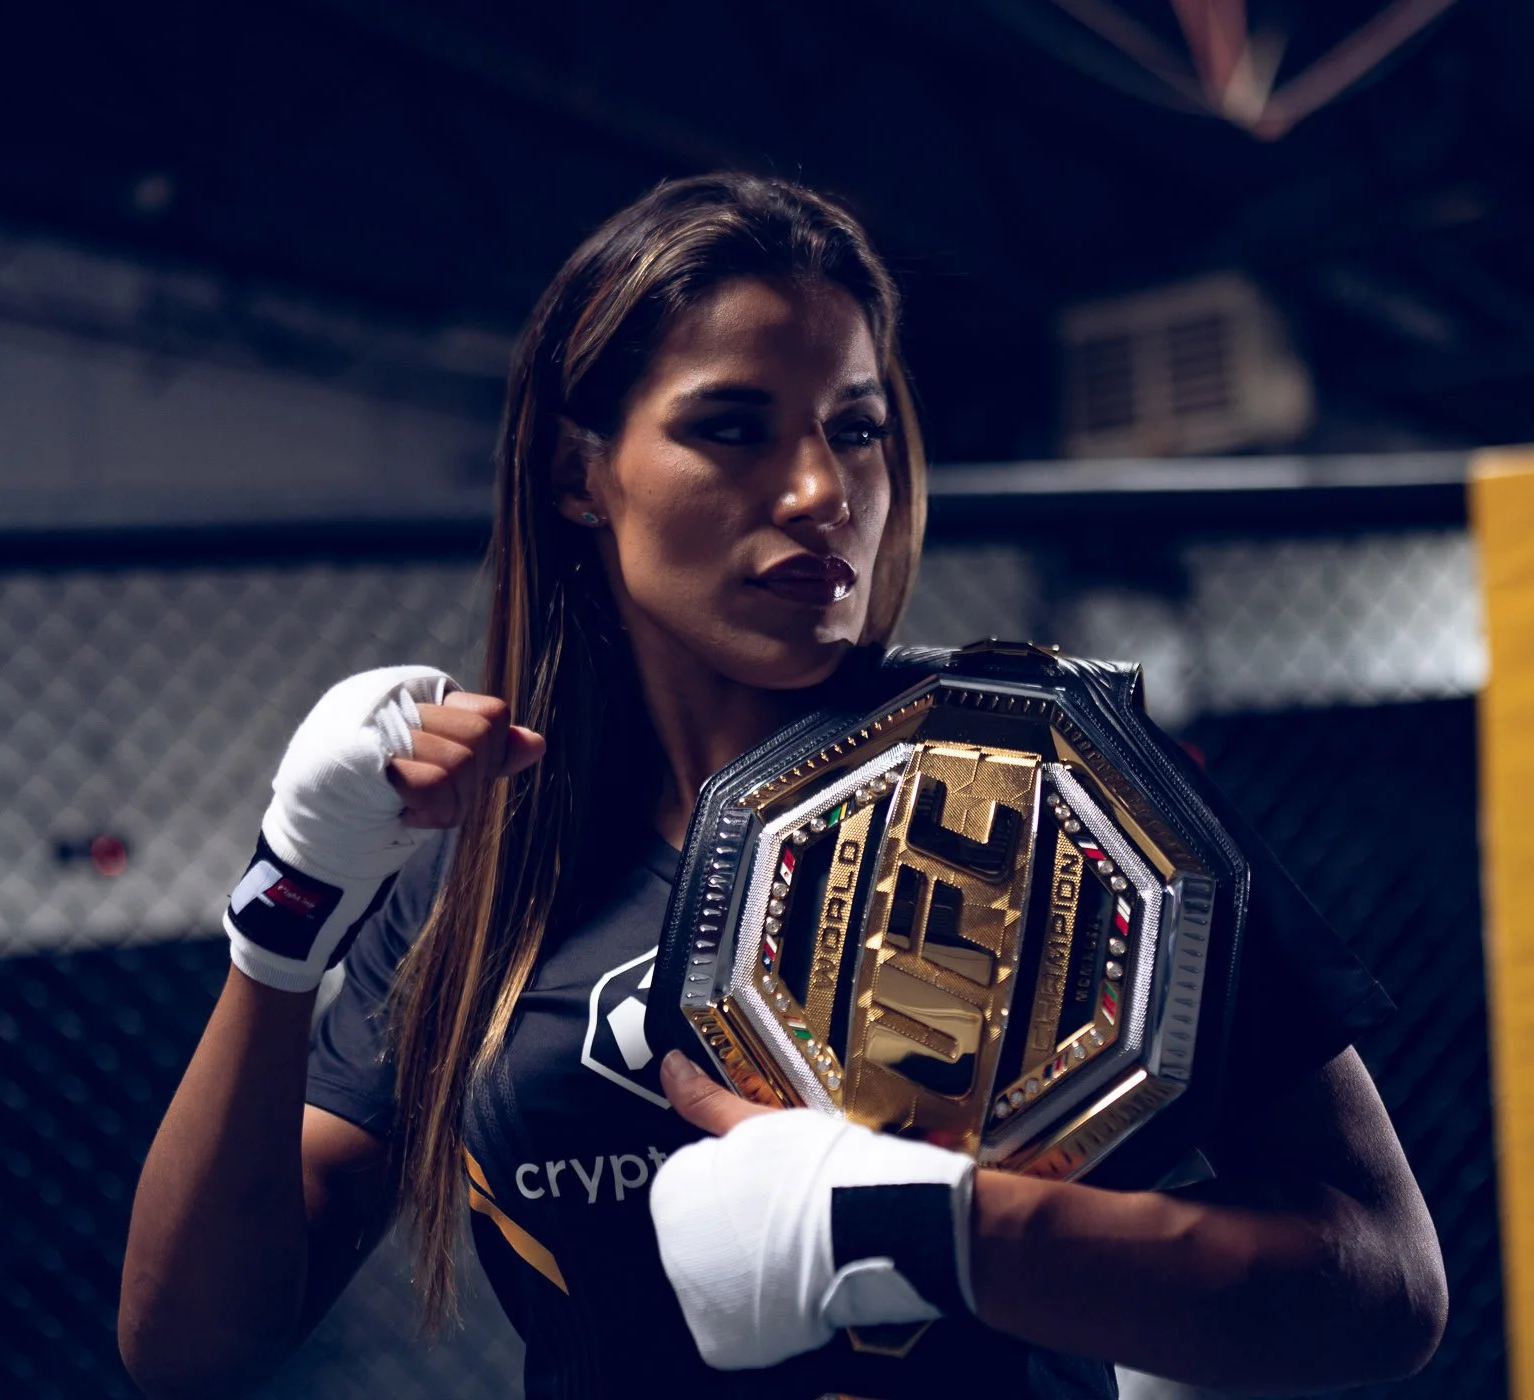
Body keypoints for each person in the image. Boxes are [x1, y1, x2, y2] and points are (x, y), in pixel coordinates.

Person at [118, 173, 1446, 1399]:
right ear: (581, 476)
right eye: (732, 428)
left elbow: (1380, 1287)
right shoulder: (481, 880)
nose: (818, 490)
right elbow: (191, 1346)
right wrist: (286, 906)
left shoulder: (1064, 793)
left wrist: (944, 1232)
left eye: (854, 429)